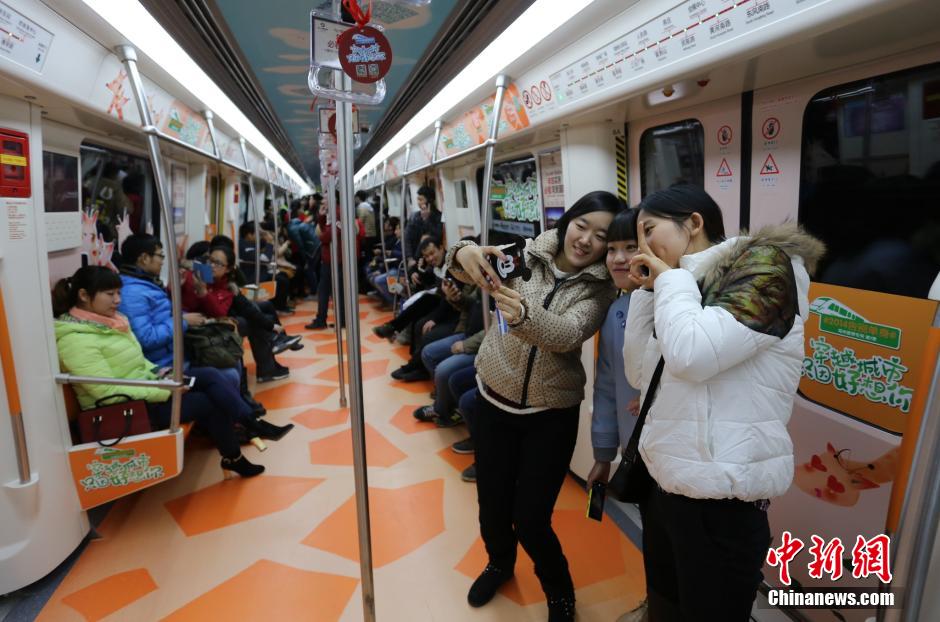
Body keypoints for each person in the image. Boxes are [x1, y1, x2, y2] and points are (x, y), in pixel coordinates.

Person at [623, 184, 824, 620]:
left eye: (649, 231)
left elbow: (693, 356)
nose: (640, 247)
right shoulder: (680, 288)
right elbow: (639, 373)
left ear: (693, 223)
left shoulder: (764, 266)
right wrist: (645, 292)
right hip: (666, 486)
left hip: (721, 501)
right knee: (666, 606)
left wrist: (669, 281)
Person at [446, 191, 624, 621]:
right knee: (491, 504)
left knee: (531, 519)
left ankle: (559, 592)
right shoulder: (525, 255)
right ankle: (499, 563)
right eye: (581, 225)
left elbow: (567, 333)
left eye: (601, 236)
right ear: (568, 222)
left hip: (550, 415)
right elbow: (465, 263)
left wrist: (523, 314)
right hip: (494, 405)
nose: (586, 240)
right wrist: (465, 253)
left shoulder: (601, 290)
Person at [53, 266, 265, 477]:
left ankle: (250, 422)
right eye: (110, 294)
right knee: (208, 402)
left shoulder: (111, 323)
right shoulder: (75, 340)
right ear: (83, 295)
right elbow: (106, 392)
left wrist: (161, 374)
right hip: (122, 409)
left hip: (142, 392)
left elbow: (140, 363)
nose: (117, 300)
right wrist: (165, 390)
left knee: (209, 374)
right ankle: (238, 453)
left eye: (118, 293)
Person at [306, 200, 365, 330]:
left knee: (327, 290)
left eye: (325, 198)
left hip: (335, 258)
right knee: (336, 290)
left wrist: (321, 237)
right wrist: (321, 217)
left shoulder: (338, 213)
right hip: (334, 257)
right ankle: (340, 319)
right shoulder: (333, 213)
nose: (322, 201)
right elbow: (325, 229)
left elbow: (328, 235)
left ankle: (323, 319)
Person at [403, 185, 443, 271]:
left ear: (429, 201)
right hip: (414, 258)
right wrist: (410, 258)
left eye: (421, 199)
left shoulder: (438, 217)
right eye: (418, 199)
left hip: (430, 259)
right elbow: (407, 238)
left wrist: (427, 220)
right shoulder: (414, 217)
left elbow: (437, 237)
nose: (418, 202)